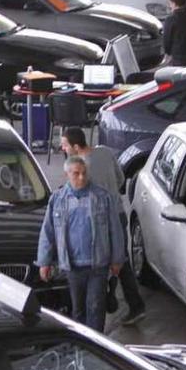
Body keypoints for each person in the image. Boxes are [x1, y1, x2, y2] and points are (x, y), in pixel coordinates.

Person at [60, 128, 146, 326]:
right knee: (121, 261)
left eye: (64, 144)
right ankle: (135, 305)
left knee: (99, 264)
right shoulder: (105, 152)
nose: (62, 147)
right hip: (119, 213)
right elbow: (121, 179)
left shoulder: (80, 170)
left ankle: (110, 302)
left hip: (100, 221)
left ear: (75, 146)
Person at [37, 156, 125, 333]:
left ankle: (97, 346)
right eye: (76, 174)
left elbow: (115, 230)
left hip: (97, 265)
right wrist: (44, 262)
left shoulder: (102, 197)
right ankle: (82, 347)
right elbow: (48, 232)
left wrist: (117, 259)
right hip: (72, 267)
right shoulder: (58, 200)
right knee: (78, 311)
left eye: (84, 173)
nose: (81, 178)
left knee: (95, 308)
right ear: (67, 174)